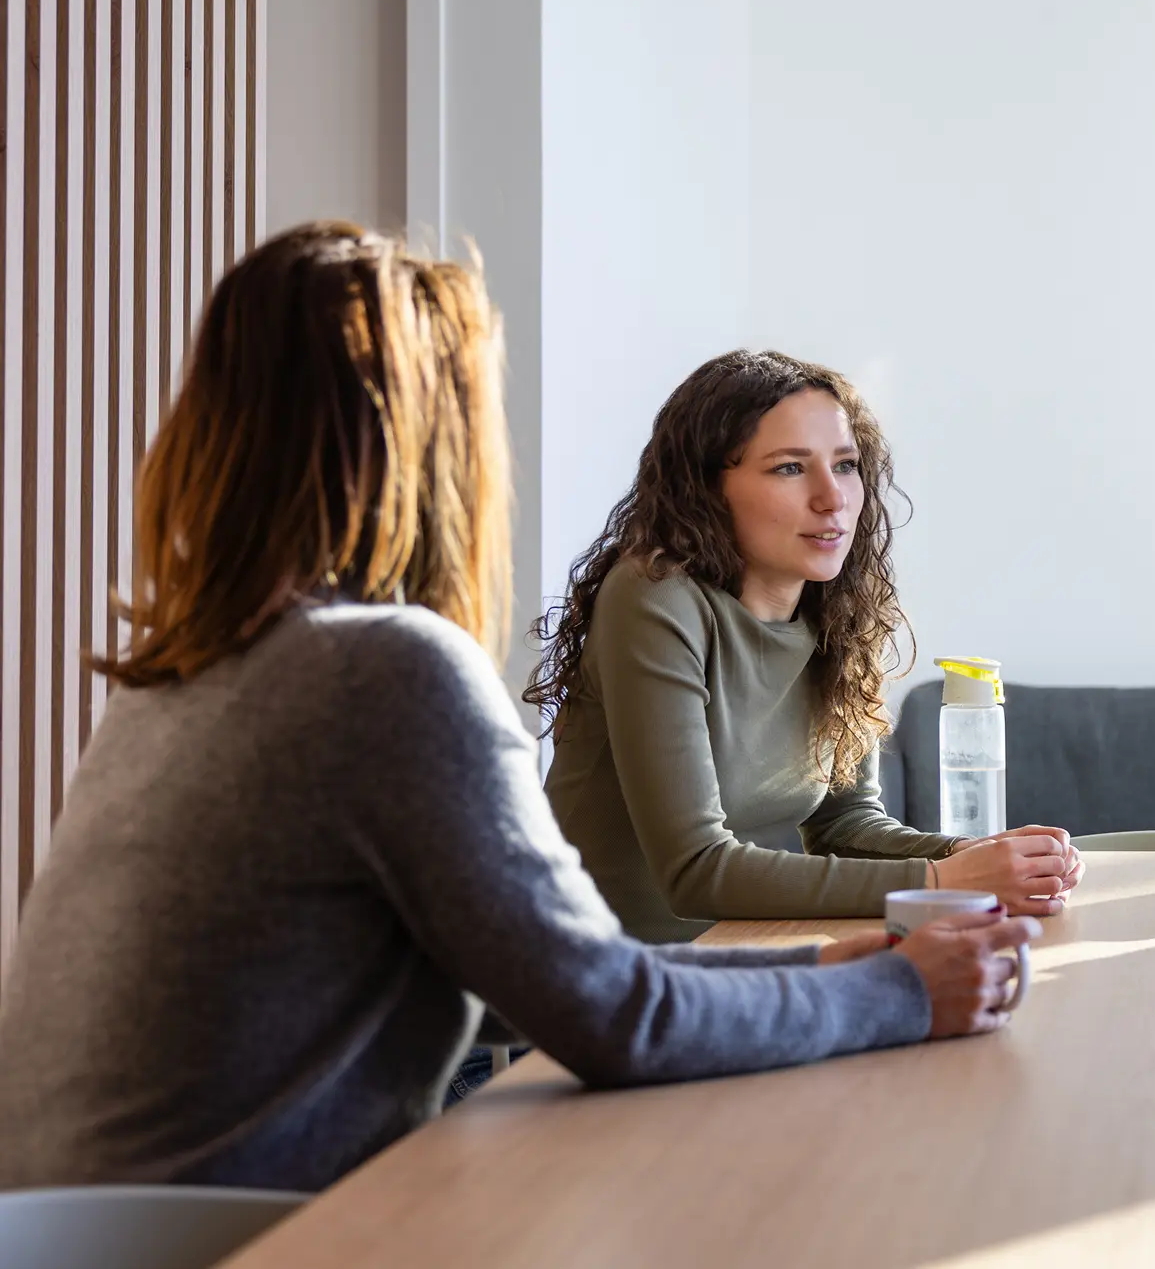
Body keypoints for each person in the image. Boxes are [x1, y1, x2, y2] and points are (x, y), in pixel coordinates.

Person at [0, 224, 1037, 1193]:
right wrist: (898, 992)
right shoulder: (385, 674)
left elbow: (545, 982)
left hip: (76, 1226)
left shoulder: (184, 671)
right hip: (236, 1237)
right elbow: (611, 1014)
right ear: (441, 449)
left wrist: (815, 969)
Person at [531, 351, 1080, 943]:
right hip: (583, 968)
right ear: (705, 488)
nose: (832, 498)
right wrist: (943, 879)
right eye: (790, 468)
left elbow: (846, 824)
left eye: (845, 465)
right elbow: (695, 872)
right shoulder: (654, 599)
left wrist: (972, 856)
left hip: (733, 958)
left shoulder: (840, 611)